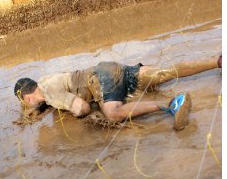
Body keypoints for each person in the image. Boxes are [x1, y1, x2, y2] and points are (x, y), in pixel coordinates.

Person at [15, 55, 221, 130]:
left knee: (112, 113)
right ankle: (216, 61)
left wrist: (80, 114)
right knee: (163, 73)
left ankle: (171, 104)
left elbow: (82, 107)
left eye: (27, 103)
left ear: (28, 97)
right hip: (111, 68)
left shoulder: (48, 92)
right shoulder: (46, 79)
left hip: (100, 79)